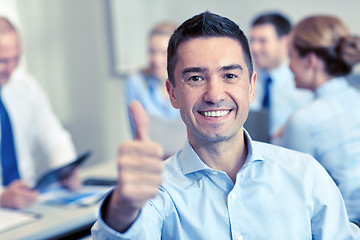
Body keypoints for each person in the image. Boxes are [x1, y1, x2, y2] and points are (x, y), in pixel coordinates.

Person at [92, 11, 359, 239]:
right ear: (173, 93)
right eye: (195, 78)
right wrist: (122, 210)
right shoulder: (158, 191)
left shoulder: (306, 176)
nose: (215, 95)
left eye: (230, 75)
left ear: (252, 86)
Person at [281, 15, 360, 226]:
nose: (289, 67)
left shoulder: (304, 120)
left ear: (311, 60)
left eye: (291, 57)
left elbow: (295, 199)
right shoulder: (356, 99)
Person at [0, 17, 80, 209]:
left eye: (16, 59)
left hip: (28, 202)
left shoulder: (27, 88)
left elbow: (54, 136)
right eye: (2, 61)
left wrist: (66, 168)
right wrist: (1, 196)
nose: (11, 69)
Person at [249, 12, 313, 141]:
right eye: (252, 41)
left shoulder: (303, 85)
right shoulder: (247, 80)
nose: (254, 48)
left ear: (285, 42)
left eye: (262, 41)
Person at [125, 21, 180, 133]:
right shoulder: (135, 83)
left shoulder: (188, 82)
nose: (156, 59)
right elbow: (137, 133)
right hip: (151, 149)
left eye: (163, 53)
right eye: (152, 52)